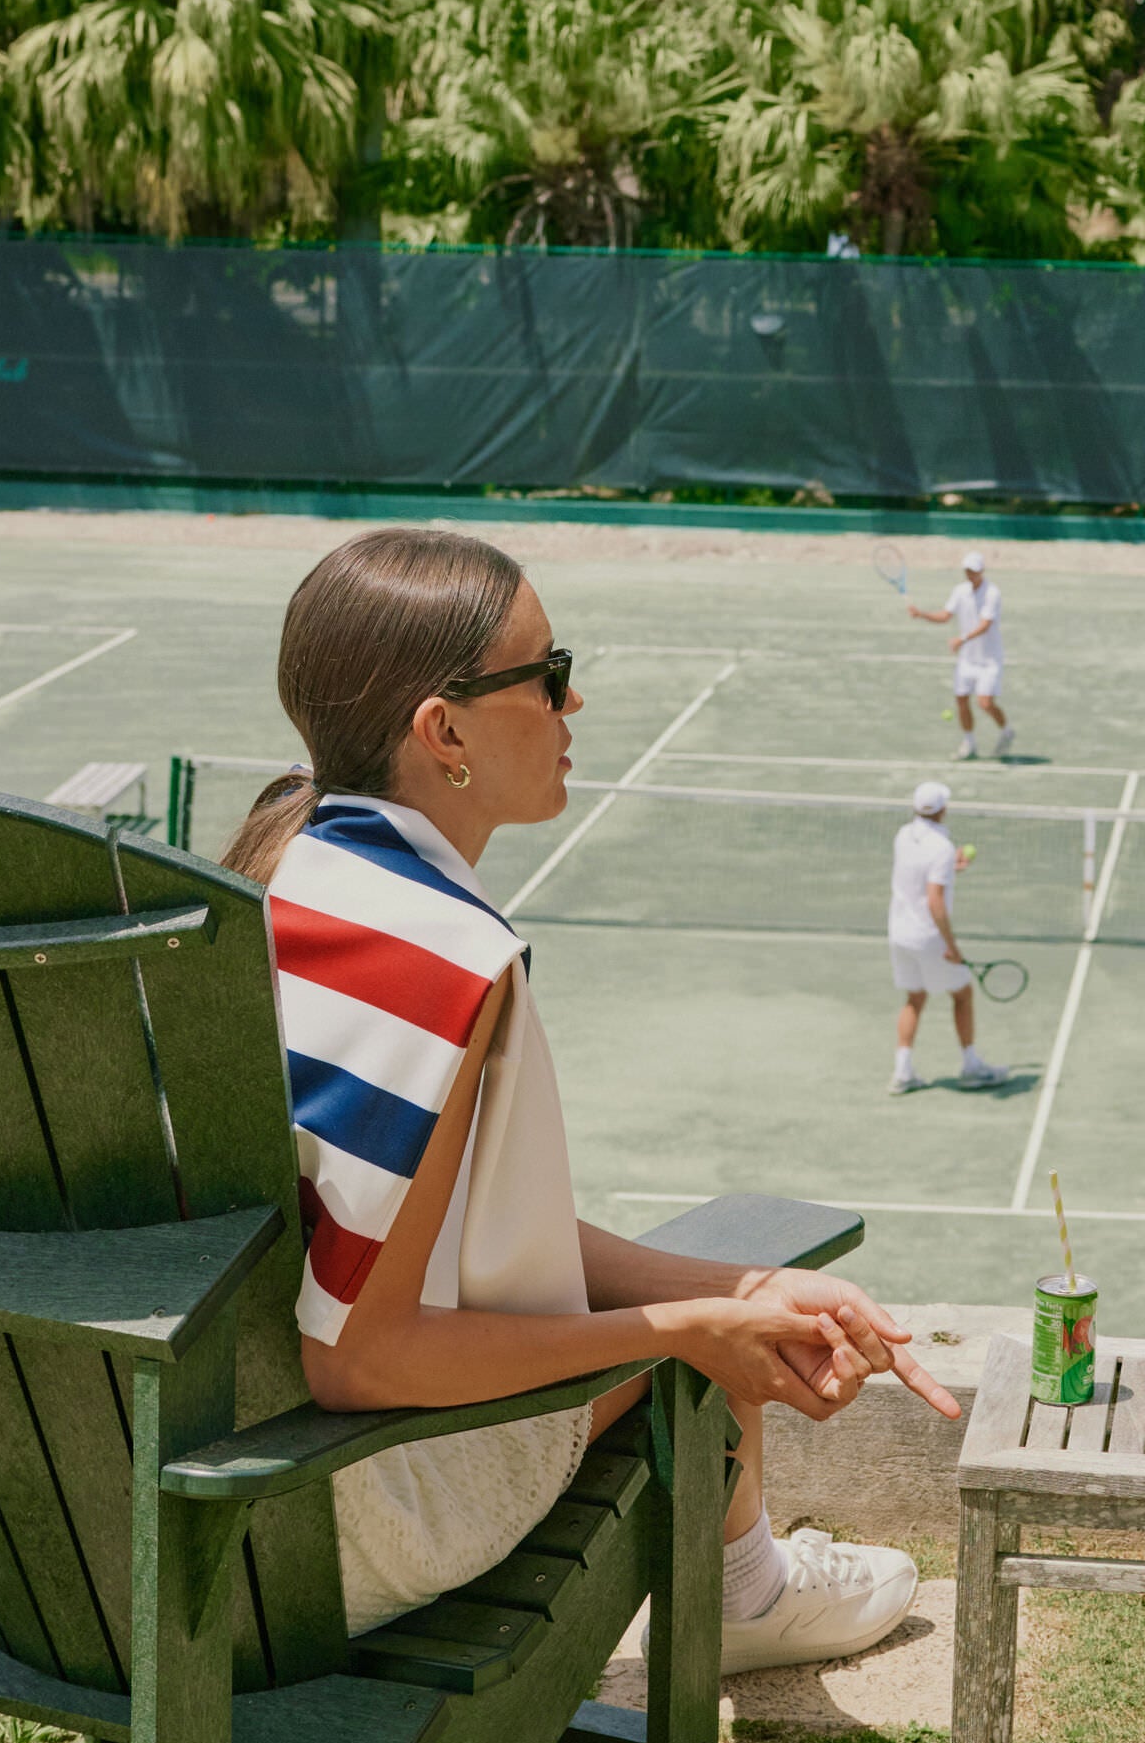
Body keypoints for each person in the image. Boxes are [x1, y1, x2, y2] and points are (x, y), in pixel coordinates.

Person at [229, 524, 944, 1684]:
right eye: (547, 674)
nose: (573, 702)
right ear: (444, 732)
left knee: (715, 1313)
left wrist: (737, 1287)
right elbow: (360, 1361)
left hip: (180, 1477)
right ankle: (748, 1594)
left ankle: (749, 1576)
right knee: (692, 1359)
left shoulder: (287, 875)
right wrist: (690, 1332)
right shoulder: (447, 961)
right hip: (323, 1527)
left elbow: (409, 1240)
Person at [889, 775, 1006, 1092]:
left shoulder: (903, 835)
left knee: (914, 997)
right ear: (942, 810)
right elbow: (934, 900)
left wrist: (949, 868)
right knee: (962, 995)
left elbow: (918, 873)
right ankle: (971, 1067)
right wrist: (951, 946)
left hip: (900, 933)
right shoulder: (941, 848)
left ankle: (902, 1073)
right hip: (928, 937)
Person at [909, 549, 1013, 763]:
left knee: (985, 703)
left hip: (989, 660)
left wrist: (961, 639)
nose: (970, 574)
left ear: (982, 571)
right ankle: (969, 742)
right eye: (967, 571)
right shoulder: (960, 591)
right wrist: (922, 614)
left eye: (974, 571)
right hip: (967, 660)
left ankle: (1006, 731)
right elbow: (945, 615)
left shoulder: (992, 593)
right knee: (962, 700)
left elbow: (985, 624)